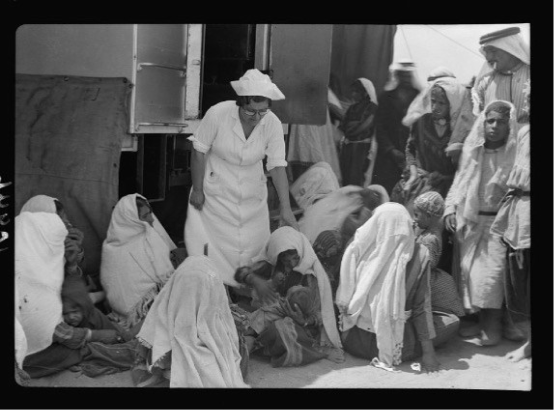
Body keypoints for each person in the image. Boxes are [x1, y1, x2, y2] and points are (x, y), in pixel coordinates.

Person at [185, 68, 299, 288]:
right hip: (215, 194)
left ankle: (243, 295)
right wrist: (198, 189)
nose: (256, 117)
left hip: (251, 198)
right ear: (240, 103)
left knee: (252, 251)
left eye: (262, 111)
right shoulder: (218, 114)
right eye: (250, 111)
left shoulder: (272, 123)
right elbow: (198, 150)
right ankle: (216, 292)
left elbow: (277, 166)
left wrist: (286, 208)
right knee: (213, 252)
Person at [337, 203, 455, 372]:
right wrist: (429, 354)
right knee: (452, 321)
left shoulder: (358, 246)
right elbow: (421, 308)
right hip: (395, 348)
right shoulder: (419, 254)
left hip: (352, 341)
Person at [444, 100, 518, 346]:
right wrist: (451, 209)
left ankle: (493, 325)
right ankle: (478, 321)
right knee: (471, 275)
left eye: (501, 122)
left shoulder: (514, 155)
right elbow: (460, 182)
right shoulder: (473, 151)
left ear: (510, 126)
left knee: (493, 276)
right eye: (490, 121)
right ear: (483, 123)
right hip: (472, 221)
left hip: (500, 223)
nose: (494, 127)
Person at [234, 227, 344, 367]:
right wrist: (255, 280)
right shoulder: (270, 265)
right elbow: (239, 275)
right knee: (238, 313)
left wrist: (303, 320)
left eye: (295, 258)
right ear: (276, 255)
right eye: (285, 260)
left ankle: (253, 342)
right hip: (267, 312)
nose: (292, 264)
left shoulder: (311, 275)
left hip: (298, 323)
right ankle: (251, 340)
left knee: (282, 330)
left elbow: (324, 314)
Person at [135, 255, 248, 388]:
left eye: (199, 291)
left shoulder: (225, 327)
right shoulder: (159, 328)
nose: (193, 297)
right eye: (188, 290)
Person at [23, 274, 138, 378]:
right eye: (65, 313)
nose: (71, 317)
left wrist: (116, 334)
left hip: (63, 336)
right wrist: (108, 335)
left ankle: (124, 339)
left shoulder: (44, 294)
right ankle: (132, 352)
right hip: (33, 358)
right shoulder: (41, 315)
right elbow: (74, 337)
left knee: (93, 316)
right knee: (86, 350)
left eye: (75, 311)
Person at [491, 80, 531, 361]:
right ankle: (530, 343)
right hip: (521, 215)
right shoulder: (525, 130)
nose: (526, 103)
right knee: (518, 283)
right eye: (526, 97)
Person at [100, 193, 179, 330]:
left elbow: (167, 273)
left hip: (163, 301)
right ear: (129, 220)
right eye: (144, 216)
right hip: (140, 316)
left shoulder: (151, 236)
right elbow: (120, 295)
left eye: (150, 213)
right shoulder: (113, 251)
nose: (151, 220)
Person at [391, 77, 469, 213]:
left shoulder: (459, 130)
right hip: (423, 184)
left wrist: (446, 177)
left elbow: (465, 166)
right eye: (433, 101)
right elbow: (410, 149)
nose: (435, 107)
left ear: (452, 104)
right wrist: (413, 175)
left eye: (441, 103)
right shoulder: (421, 123)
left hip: (449, 189)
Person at [372, 60, 422, 195]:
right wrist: (391, 150)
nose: (406, 79)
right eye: (403, 75)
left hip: (411, 154)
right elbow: (379, 127)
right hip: (388, 156)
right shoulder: (386, 98)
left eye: (408, 75)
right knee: (384, 191)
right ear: (397, 76)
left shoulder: (419, 96)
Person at [413, 192, 465, 319]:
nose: (414, 219)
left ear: (429, 216)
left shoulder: (430, 238)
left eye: (416, 215)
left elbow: (430, 263)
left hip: (425, 279)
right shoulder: (428, 233)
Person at [472, 27, 530, 123]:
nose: (488, 57)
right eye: (486, 52)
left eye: (493, 51)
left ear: (511, 49)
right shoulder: (485, 84)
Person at [287, 87, 343, 184]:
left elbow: (338, 111)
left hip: (316, 131)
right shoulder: (297, 94)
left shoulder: (322, 91)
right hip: (302, 130)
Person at [338, 78, 379, 187]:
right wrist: (351, 127)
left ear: (364, 92)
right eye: (352, 91)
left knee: (357, 176)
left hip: (362, 148)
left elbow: (364, 125)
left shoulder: (372, 108)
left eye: (356, 91)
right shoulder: (352, 108)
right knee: (345, 175)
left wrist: (351, 127)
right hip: (348, 147)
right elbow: (344, 125)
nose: (353, 94)